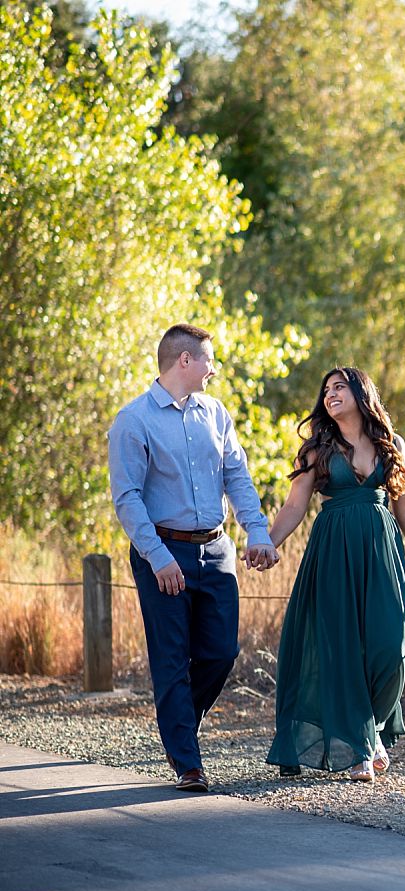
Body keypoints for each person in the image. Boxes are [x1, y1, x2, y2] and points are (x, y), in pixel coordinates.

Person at [108, 323, 280, 793]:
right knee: (170, 657)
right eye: (209, 360)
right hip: (163, 553)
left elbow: (238, 478)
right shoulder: (135, 420)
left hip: (217, 549)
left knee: (222, 652)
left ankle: (178, 718)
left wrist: (258, 531)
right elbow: (126, 498)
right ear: (185, 361)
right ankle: (187, 762)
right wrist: (157, 556)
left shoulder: (216, 413)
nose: (214, 369)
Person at [265, 366, 405, 781]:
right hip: (332, 554)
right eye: (325, 389)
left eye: (339, 387)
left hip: (382, 556)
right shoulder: (316, 450)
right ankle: (364, 747)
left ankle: (373, 730)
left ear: (361, 393)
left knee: (389, 649)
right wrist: (266, 543)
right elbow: (294, 507)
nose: (330, 394)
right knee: (343, 651)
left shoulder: (391, 444)